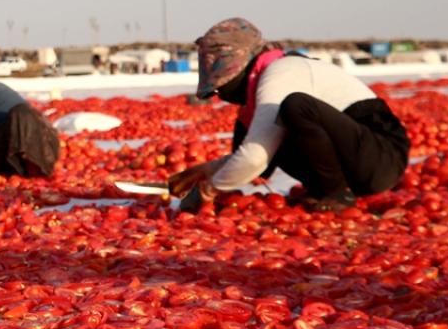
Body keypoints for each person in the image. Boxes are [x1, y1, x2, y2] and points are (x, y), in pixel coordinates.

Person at [169, 18, 410, 212]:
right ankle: (330, 190)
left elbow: (255, 159)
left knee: (296, 107)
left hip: (382, 156)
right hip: (358, 159)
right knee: (269, 123)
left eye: (220, 85)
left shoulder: (282, 72)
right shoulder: (264, 87)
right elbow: (259, 160)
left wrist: (207, 192)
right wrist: (203, 171)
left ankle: (336, 194)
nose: (220, 93)